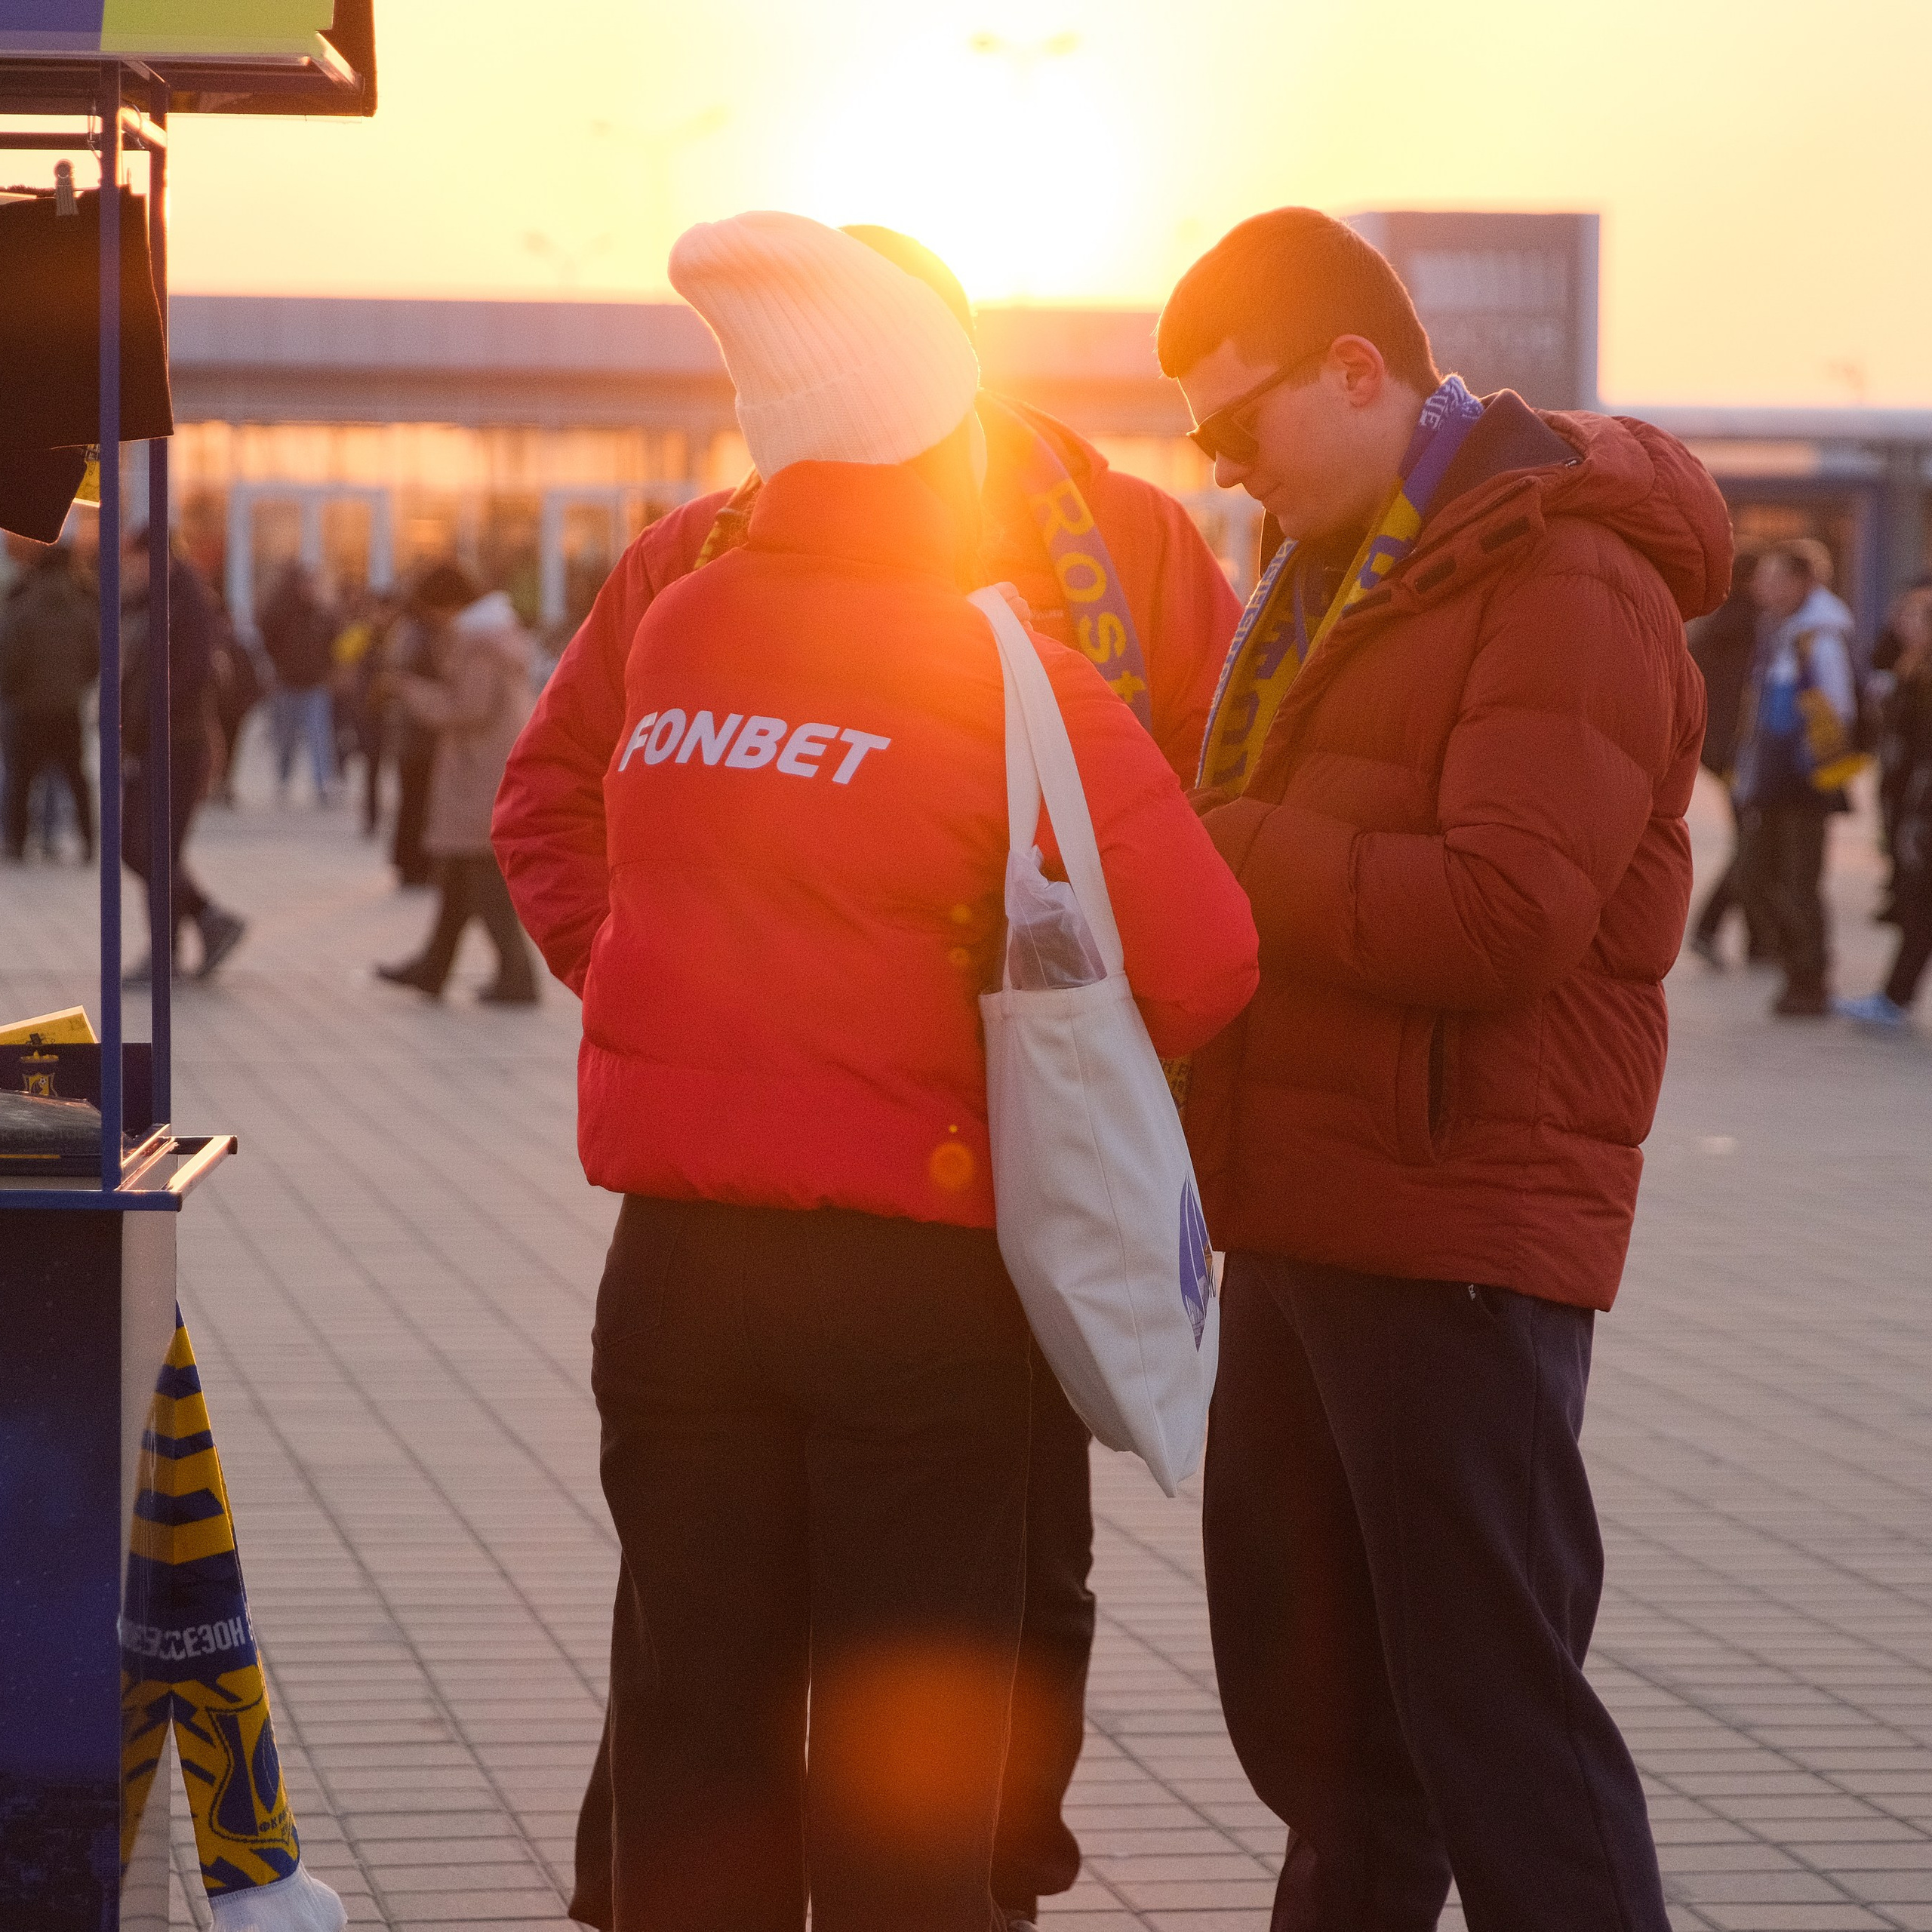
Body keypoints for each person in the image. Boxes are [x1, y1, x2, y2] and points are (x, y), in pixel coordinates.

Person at [493, 211, 1259, 1932]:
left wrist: (674, 1008)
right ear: (942, 438)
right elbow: (1209, 956)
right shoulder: (1010, 673)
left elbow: (578, 816)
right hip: (919, 1271)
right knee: (913, 1764)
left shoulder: (679, 625)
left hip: (677, 1269)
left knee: (698, 1716)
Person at [1156, 208, 1727, 1932]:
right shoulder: (1341, 576)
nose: (1231, 473)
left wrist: (1221, 843)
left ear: (1353, 369)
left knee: (1494, 1725)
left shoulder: (1565, 574)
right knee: (1324, 1737)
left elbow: (1499, 915)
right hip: (1308, 1210)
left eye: (1237, 427)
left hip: (1453, 1234)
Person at [375, 574, 540, 1005]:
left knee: (481, 875)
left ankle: (515, 975)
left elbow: (467, 708)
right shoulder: (496, 633)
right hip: (488, 767)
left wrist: (409, 691)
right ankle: (436, 967)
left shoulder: (478, 642)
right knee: (461, 874)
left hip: (478, 771)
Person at [1733, 543, 1861, 1017]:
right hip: (1771, 778)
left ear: (1801, 582)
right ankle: (1800, 967)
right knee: (1755, 874)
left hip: (1802, 784)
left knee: (1798, 880)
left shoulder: (1819, 635)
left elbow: (1838, 710)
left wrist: (1811, 770)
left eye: (1773, 577)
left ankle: (1810, 979)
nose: (1762, 587)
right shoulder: (1778, 629)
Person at [120, 527, 248, 984]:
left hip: (176, 745)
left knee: (151, 849)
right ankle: (210, 921)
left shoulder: (186, 607)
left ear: (159, 559)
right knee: (140, 848)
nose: (129, 571)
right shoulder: (149, 603)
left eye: (135, 561)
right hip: (150, 744)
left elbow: (188, 675)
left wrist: (145, 718)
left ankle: (167, 954)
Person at [1838, 581, 1932, 1028]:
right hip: (1909, 807)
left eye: (1916, 619)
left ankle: (1893, 1000)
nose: (1904, 625)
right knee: (1919, 910)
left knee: (1921, 909)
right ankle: (1893, 999)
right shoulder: (1910, 668)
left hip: (1922, 809)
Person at [1686, 547, 1771, 968]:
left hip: (1722, 750)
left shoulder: (1723, 623)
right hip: (1738, 751)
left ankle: (1758, 941)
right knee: (1753, 842)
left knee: (1754, 840)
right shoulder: (1748, 626)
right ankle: (1710, 927)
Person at [1, 531, 96, 862]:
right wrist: (75, 686)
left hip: (28, 709)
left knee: (22, 780)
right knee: (76, 778)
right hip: (68, 709)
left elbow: (9, 658)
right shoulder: (83, 607)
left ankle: (16, 844)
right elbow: (95, 659)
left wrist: (13, 692)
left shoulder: (22, 608)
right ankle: (89, 841)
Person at [257, 560, 338, 804]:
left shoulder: (323, 614)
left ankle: (322, 784)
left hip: (314, 684)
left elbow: (333, 645)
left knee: (319, 737)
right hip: (286, 684)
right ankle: (283, 780)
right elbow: (267, 639)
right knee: (286, 739)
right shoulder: (282, 612)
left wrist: (329, 670)